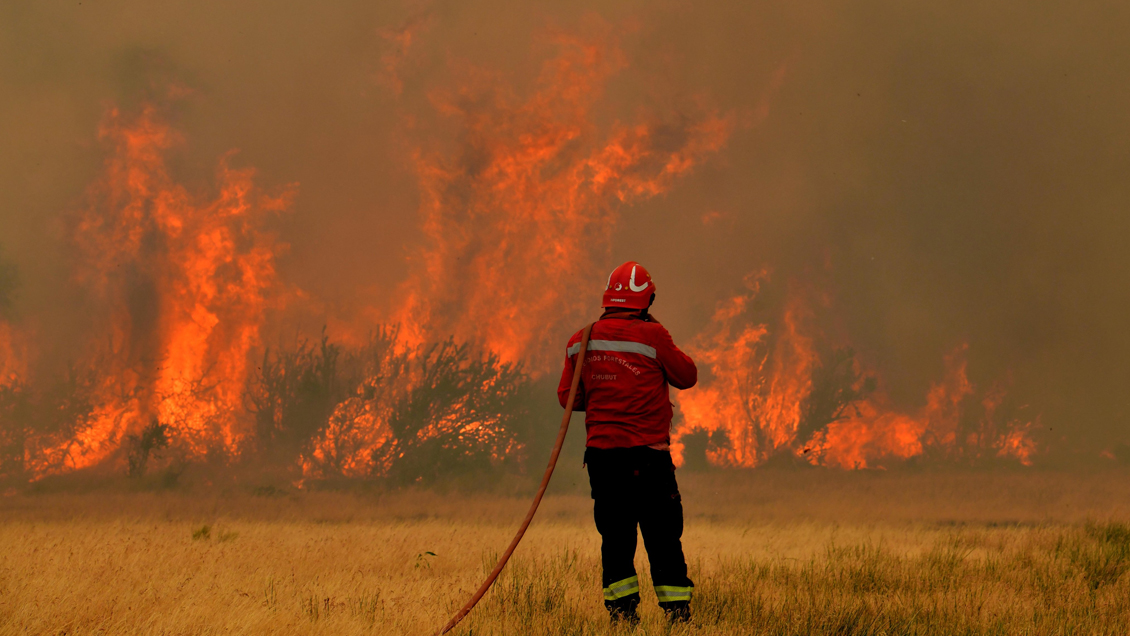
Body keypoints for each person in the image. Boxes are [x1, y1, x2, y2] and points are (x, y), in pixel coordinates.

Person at [557, 261, 698, 626]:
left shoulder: (581, 339)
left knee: (616, 538)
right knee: (663, 536)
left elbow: (568, 398)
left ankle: (622, 617)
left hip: (603, 459)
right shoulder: (653, 336)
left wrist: (606, 389)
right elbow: (686, 376)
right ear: (647, 299)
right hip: (648, 458)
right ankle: (677, 616)